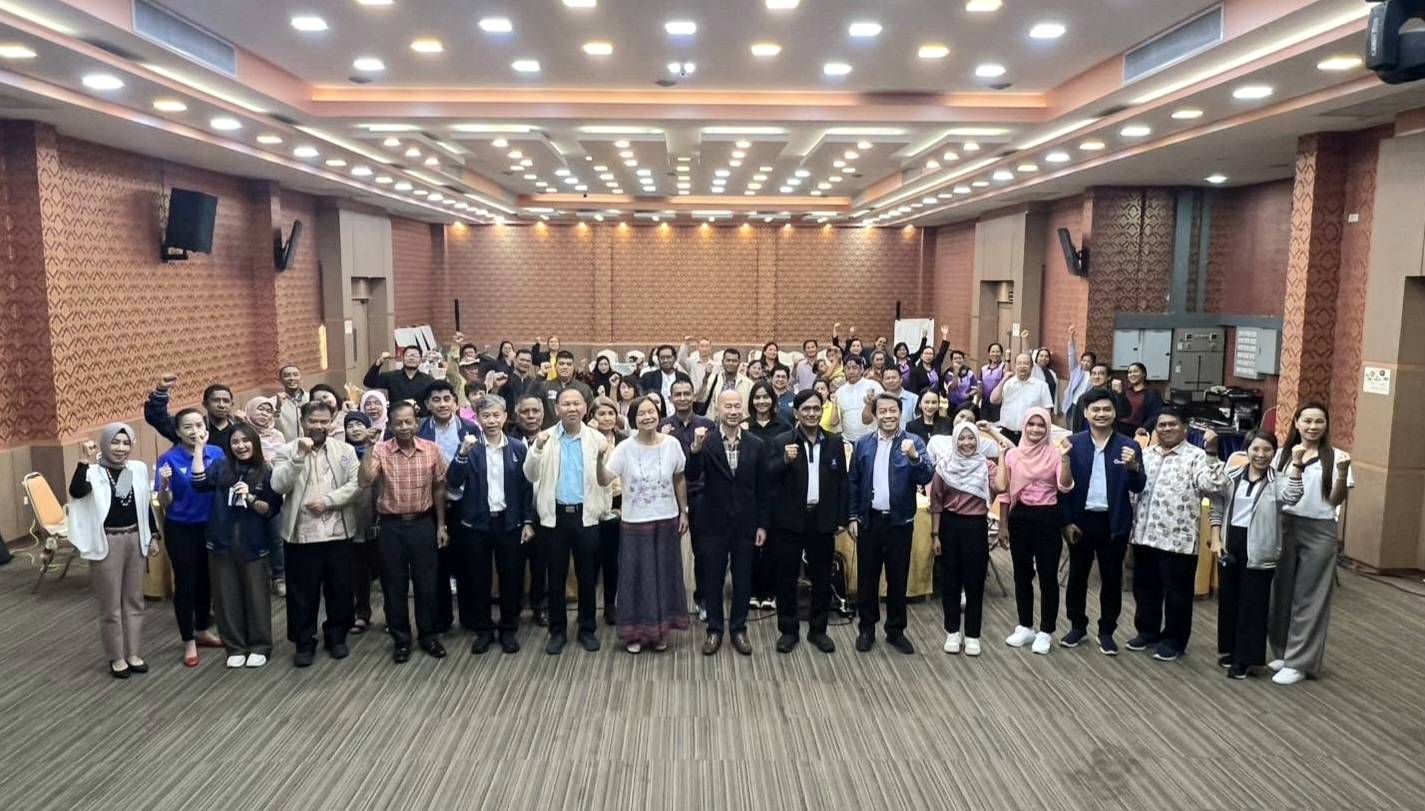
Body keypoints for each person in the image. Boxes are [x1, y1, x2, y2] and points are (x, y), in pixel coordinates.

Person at [1128, 407, 1228, 661]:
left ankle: (1174, 640)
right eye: (1162, 425)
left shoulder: (1197, 457)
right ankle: (1147, 632)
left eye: (1172, 424)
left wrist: (1212, 452)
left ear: (1185, 427)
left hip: (1178, 538)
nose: (1167, 429)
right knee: (1145, 589)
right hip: (1144, 534)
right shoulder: (1146, 455)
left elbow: (1214, 485)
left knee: (1177, 594)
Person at [270, 401, 362, 667]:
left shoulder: (345, 450)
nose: (319, 426)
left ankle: (336, 636)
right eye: (313, 421)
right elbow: (278, 485)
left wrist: (329, 501)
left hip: (338, 533)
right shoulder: (287, 450)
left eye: (324, 421)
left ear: (332, 422)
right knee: (302, 594)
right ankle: (304, 642)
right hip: (301, 536)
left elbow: (357, 484)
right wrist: (299, 456)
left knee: (340, 590)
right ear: (303, 422)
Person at [598, 395, 692, 654]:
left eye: (652, 412)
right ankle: (635, 633)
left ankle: (660, 631)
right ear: (633, 419)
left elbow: (679, 479)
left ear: (658, 415)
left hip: (666, 518)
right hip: (635, 521)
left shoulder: (672, 444)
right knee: (636, 577)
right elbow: (605, 479)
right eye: (641, 414)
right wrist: (597, 459)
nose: (648, 417)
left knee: (663, 575)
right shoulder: (625, 448)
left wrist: (684, 512)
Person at [522, 388, 612, 655]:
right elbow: (529, 474)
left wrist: (604, 510)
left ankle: (587, 629)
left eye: (576, 404)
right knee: (556, 576)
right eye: (566, 404)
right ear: (556, 408)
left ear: (585, 407)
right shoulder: (546, 438)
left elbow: (605, 481)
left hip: (586, 516)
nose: (571, 408)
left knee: (587, 576)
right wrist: (537, 448)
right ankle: (557, 630)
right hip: (555, 518)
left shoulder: (597, 438)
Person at [1269, 403, 1353, 685]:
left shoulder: (1337, 456)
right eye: (1307, 421)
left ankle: (1300, 662)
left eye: (1319, 421)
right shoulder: (1281, 455)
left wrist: (1342, 473)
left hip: (1320, 530)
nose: (1313, 426)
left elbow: (1336, 499)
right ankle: (1283, 652)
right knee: (1281, 592)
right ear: (1296, 422)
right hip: (1284, 525)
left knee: (1310, 596)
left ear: (1326, 425)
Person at [361, 400, 450, 663]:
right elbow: (365, 481)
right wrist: (368, 447)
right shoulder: (380, 450)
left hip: (423, 524)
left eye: (408, 422)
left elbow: (439, 488)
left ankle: (428, 635)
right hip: (391, 526)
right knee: (394, 584)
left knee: (427, 583)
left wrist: (441, 524)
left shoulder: (432, 449)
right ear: (390, 425)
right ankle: (401, 639)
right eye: (398, 423)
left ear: (417, 423)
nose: (404, 427)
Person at [1209, 430, 1303, 679]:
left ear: (1274, 453)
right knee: (1229, 600)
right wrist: (1216, 537)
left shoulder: (1278, 480)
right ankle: (1232, 650)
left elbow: (1293, 496)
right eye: (1256, 449)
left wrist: (1297, 464)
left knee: (1253, 604)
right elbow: (1217, 505)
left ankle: (1245, 659)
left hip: (1260, 546)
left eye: (1267, 450)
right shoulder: (1231, 476)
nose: (1261, 455)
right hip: (1230, 543)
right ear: (1246, 451)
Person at [448, 395, 536, 655]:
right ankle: (484, 630)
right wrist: (462, 453)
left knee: (511, 579)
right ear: (477, 418)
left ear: (506, 416)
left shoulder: (518, 448)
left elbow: (526, 489)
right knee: (479, 580)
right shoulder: (470, 446)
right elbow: (453, 482)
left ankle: (508, 629)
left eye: (496, 415)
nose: (492, 421)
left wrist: (528, 521)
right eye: (486, 416)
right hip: (477, 525)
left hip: (510, 523)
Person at [1061, 388, 1147, 655]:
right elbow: (1063, 488)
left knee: (1111, 579)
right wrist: (1066, 521)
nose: (1101, 414)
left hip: (1113, 521)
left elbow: (1138, 486)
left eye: (1106, 409)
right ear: (1086, 413)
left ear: (1115, 413)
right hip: (1081, 521)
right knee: (1077, 576)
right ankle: (1077, 626)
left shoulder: (1129, 446)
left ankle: (1107, 631)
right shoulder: (1072, 444)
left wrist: (1133, 468)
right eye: (1095, 409)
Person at [68, 424, 157, 678]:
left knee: (134, 600)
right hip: (107, 542)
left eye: (126, 443)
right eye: (115, 442)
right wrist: (83, 461)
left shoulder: (134, 469)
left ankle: (133, 653)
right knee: (111, 604)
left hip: (135, 538)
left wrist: (153, 535)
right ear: (105, 444)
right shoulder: (94, 472)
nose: (120, 448)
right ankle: (116, 657)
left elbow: (143, 505)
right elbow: (77, 492)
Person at [191, 424, 282, 669]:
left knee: (257, 597)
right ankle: (235, 647)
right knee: (225, 597)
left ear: (255, 442)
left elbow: (270, 510)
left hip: (254, 544)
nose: (241, 446)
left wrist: (250, 497)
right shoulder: (221, 466)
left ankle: (260, 646)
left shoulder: (266, 470)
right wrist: (199, 449)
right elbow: (198, 482)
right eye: (235, 442)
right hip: (221, 543)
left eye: (245, 440)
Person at [848, 393, 933, 654]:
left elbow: (926, 476)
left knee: (897, 578)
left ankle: (895, 631)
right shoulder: (863, 444)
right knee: (868, 578)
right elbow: (853, 482)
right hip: (870, 521)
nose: (888, 415)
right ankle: (866, 629)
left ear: (900, 413)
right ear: (875, 415)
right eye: (882, 411)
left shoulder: (913, 441)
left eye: (892, 411)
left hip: (900, 522)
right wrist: (852, 516)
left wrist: (914, 457)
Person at [767, 389, 848, 654]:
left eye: (816, 409)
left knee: (822, 577)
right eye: (806, 409)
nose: (812, 413)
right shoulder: (782, 441)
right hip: (789, 521)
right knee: (786, 577)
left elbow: (842, 482)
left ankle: (818, 630)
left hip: (822, 520)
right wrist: (784, 461)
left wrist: (841, 517)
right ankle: (788, 630)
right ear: (796, 413)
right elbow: (768, 478)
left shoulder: (834, 441)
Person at [691, 389, 770, 656]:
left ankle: (738, 628)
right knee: (712, 578)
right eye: (728, 407)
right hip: (713, 522)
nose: (734, 411)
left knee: (743, 579)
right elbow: (692, 475)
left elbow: (763, 489)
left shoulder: (756, 444)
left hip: (746, 524)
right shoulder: (707, 441)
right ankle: (714, 629)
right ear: (718, 409)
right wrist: (695, 450)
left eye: (737, 406)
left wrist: (762, 524)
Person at [991, 407, 1073, 655]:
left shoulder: (1056, 454)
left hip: (1048, 517)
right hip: (1020, 517)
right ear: (1024, 427)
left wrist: (1066, 459)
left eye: (1041, 425)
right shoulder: (1013, 455)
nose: (1035, 429)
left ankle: (1046, 631)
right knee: (1021, 574)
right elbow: (1005, 493)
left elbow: (1065, 487)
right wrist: (1003, 524)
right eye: (1031, 424)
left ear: (1047, 428)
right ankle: (1025, 626)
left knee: (1048, 577)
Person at [155, 409, 227, 666]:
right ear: (177, 431)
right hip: (181, 528)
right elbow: (165, 502)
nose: (194, 431)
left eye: (198, 425)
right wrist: (165, 485)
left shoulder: (216, 453)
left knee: (207, 580)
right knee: (186, 584)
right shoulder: (168, 459)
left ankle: (202, 629)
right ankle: (188, 640)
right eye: (187, 427)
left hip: (212, 525)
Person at [927, 421, 998, 657]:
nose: (966, 443)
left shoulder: (986, 466)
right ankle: (952, 632)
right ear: (954, 440)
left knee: (975, 581)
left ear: (978, 441)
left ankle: (973, 635)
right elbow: (936, 503)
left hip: (976, 526)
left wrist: (1002, 447)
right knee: (950, 581)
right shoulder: (944, 465)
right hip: (948, 525)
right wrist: (935, 535)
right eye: (961, 438)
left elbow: (1001, 486)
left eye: (971, 438)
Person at [417, 380, 479, 635]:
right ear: (427, 404)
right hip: (430, 504)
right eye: (436, 399)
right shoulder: (419, 429)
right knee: (436, 564)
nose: (442, 404)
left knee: (467, 562)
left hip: (464, 503)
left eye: (447, 399)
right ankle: (441, 619)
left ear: (455, 402)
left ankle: (470, 617)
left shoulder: (470, 428)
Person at [659, 379, 717, 621]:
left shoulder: (707, 425)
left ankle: (703, 599)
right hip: (669, 496)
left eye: (686, 393)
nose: (682, 398)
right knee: (666, 552)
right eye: (678, 394)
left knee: (702, 551)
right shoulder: (662, 426)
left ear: (693, 396)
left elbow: (713, 460)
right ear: (670, 398)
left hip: (702, 494)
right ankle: (668, 602)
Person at [742, 381, 789, 610]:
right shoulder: (744, 426)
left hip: (777, 492)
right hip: (750, 493)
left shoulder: (784, 426)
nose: (761, 401)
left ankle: (770, 592)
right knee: (750, 543)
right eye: (757, 397)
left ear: (773, 400)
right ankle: (751, 591)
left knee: (773, 545)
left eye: (766, 397)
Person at [342, 411, 383, 635]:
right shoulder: (342, 454)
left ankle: (392, 616)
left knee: (385, 571)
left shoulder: (381, 450)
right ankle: (361, 614)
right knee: (358, 573)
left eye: (359, 424)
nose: (355, 429)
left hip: (379, 519)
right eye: (350, 426)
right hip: (352, 520)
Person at [512, 395, 551, 625]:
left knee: (541, 563)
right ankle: (514, 607)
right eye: (525, 412)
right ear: (517, 415)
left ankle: (539, 606)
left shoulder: (552, 438)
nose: (531, 416)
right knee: (514, 563)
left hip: (543, 510)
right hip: (515, 511)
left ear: (543, 414)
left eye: (535, 411)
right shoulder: (508, 439)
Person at [243, 395, 288, 593]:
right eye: (260, 409)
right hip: (249, 490)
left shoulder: (278, 435)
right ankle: (257, 578)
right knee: (253, 535)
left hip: (274, 490)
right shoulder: (243, 434)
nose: (264, 414)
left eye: (268, 410)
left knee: (277, 536)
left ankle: (279, 576)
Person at [589, 396, 624, 625]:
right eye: (601, 414)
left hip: (618, 500)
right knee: (591, 559)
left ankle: (610, 605)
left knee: (612, 558)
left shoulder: (623, 440)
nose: (607, 418)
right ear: (592, 416)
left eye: (611, 413)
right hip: (592, 502)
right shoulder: (586, 439)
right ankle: (588, 608)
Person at [146, 374, 243, 451]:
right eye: (216, 400)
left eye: (226, 401)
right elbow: (157, 418)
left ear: (232, 404)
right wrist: (161, 391)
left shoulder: (239, 430)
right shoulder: (192, 429)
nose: (221, 405)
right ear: (205, 404)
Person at [990, 352, 1053, 445]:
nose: (1022, 366)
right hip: (1006, 434)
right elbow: (993, 400)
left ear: (1031, 367)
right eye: (1019, 363)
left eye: (1026, 363)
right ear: (1015, 366)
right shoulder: (1008, 383)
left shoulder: (1042, 386)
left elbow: (1047, 412)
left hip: (1030, 436)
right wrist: (1003, 380)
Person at [529, 350, 595, 428]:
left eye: (569, 364)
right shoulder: (546, 385)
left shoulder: (584, 388)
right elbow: (528, 398)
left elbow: (592, 412)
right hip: (550, 432)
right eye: (561, 364)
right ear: (555, 366)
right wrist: (540, 375)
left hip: (576, 432)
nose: (565, 367)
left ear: (573, 367)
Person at [363, 346, 436, 409]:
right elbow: (369, 382)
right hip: (396, 417)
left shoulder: (428, 380)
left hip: (421, 418)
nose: (411, 358)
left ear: (421, 359)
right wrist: (380, 361)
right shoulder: (391, 376)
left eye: (415, 356)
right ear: (402, 358)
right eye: (408, 355)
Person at [833, 355, 882, 445]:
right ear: (844, 370)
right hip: (848, 440)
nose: (851, 371)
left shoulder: (873, 385)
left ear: (862, 369)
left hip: (872, 439)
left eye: (855, 368)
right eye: (848, 368)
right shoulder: (839, 392)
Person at [695, 346, 753, 416]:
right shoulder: (712, 379)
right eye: (728, 360)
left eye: (734, 361)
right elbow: (700, 399)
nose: (731, 363)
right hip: (716, 420)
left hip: (739, 420)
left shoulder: (748, 383)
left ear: (739, 363)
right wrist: (706, 378)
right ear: (723, 362)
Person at [1070, 364, 1128, 433]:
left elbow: (1123, 414)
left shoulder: (1115, 396)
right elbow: (1077, 422)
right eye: (1094, 374)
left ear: (1109, 377)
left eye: (1101, 374)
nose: (1096, 377)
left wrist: (1120, 394)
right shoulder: (1083, 398)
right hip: (1086, 436)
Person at [639, 344, 693, 417]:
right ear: (658, 359)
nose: (665, 360)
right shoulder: (648, 377)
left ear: (675, 358)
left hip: (680, 416)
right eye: (662, 358)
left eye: (668, 357)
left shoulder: (683, 377)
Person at [1116, 362, 1163, 437]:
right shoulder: (1125, 392)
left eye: (1135, 371)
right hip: (1119, 428)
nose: (1132, 374)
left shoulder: (1152, 393)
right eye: (1130, 372)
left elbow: (1155, 414)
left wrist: (1145, 427)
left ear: (1143, 374)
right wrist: (1119, 394)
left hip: (1138, 431)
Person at [1059, 327, 1094, 428]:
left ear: (1093, 363)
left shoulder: (1094, 375)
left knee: (1080, 427)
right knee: (1070, 427)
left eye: (1088, 361)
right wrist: (1071, 336)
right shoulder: (1076, 370)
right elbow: (1072, 354)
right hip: (1073, 403)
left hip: (1084, 405)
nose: (1085, 363)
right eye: (1083, 360)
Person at [906, 326, 951, 393]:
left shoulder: (936, 366)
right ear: (921, 356)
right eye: (926, 353)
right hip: (923, 397)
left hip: (936, 396)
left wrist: (945, 335)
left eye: (930, 354)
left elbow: (942, 353)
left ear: (933, 356)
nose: (928, 356)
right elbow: (913, 389)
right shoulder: (915, 371)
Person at [879, 366, 919, 430]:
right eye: (887, 378)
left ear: (901, 379)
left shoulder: (914, 399)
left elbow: (918, 423)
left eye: (894, 377)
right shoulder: (878, 400)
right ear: (882, 381)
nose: (891, 381)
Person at [275, 364, 308, 441]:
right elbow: (272, 425)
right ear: (280, 380)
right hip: (287, 445)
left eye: (295, 375)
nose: (292, 378)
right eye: (287, 376)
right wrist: (278, 407)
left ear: (301, 378)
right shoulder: (274, 402)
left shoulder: (311, 398)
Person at [978, 343, 1007, 423]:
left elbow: (1007, 377)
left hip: (999, 405)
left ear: (1001, 353)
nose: (995, 354)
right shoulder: (983, 369)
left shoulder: (1004, 367)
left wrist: (1008, 359)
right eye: (993, 351)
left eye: (997, 351)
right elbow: (980, 388)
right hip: (985, 405)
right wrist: (977, 403)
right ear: (989, 353)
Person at [1031, 347, 1059, 412]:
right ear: (1036, 358)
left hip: (1049, 406)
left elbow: (1056, 393)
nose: (1044, 358)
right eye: (1041, 356)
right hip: (1036, 407)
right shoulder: (1033, 370)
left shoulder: (1052, 373)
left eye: (1046, 356)